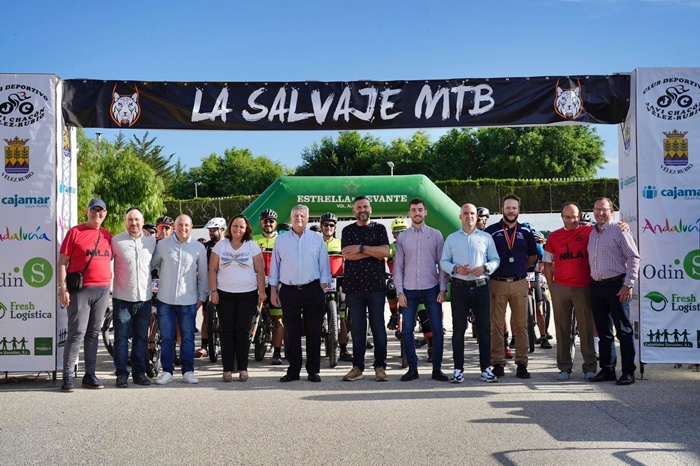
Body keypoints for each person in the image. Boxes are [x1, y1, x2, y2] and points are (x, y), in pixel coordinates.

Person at [57, 198, 113, 392]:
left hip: (103, 289)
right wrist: (62, 287)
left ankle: (90, 375)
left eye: (101, 211)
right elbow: (62, 262)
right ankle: (68, 377)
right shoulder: (75, 232)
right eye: (93, 210)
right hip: (81, 290)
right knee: (77, 332)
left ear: (105, 214)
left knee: (93, 333)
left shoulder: (107, 235)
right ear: (87, 211)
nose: (97, 214)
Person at [269, 205, 331, 382]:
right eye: (296, 215)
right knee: (291, 331)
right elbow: (275, 266)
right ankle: (293, 369)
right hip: (289, 290)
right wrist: (273, 289)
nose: (299, 218)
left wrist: (323, 284)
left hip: (313, 289)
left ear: (308, 218)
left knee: (314, 331)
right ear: (290, 217)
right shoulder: (281, 240)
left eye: (302, 215)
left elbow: (324, 262)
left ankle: (313, 370)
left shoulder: (316, 239)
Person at [441, 203, 500, 383]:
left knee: (484, 329)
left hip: (481, 286)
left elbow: (495, 259)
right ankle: (458, 370)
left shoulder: (486, 237)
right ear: (460, 217)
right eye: (465, 213)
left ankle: (486, 369)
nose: (469, 216)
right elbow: (443, 261)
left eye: (472, 213)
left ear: (477, 217)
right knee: (458, 329)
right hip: (459, 288)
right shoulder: (451, 239)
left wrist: (486, 267)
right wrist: (456, 269)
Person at [394, 198, 450, 381]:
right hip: (408, 290)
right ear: (409, 213)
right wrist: (399, 292)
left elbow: (442, 265)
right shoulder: (402, 238)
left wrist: (443, 289)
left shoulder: (436, 235)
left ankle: (437, 369)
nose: (417, 213)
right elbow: (398, 268)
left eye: (420, 210)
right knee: (407, 330)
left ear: (425, 212)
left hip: (431, 288)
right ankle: (412, 368)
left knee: (437, 330)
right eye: (413, 210)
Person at [484, 194, 538, 379]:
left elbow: (532, 256)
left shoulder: (526, 232)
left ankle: (522, 363)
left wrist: (520, 268)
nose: (511, 211)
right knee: (496, 325)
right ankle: (497, 363)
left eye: (514, 208)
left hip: (519, 283)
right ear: (502, 209)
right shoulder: (491, 231)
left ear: (518, 210)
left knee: (521, 325)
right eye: (508, 208)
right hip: (497, 282)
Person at [587, 197, 640, 385]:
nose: (600, 213)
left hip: (617, 285)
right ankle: (608, 369)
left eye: (604, 210)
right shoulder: (592, 233)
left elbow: (634, 257)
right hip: (597, 286)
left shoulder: (619, 230)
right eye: (597, 209)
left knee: (624, 331)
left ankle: (628, 372)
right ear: (593, 211)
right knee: (604, 332)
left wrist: (629, 284)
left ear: (612, 211)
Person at [543, 202, 597, 381]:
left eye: (574, 216)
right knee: (562, 329)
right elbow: (547, 264)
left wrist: (623, 224)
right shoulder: (554, 237)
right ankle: (564, 367)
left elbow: (607, 228)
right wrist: (552, 287)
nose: (571, 220)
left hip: (583, 288)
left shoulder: (589, 232)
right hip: (561, 289)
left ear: (580, 215)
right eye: (567, 217)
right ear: (561, 217)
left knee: (586, 329)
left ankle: (589, 367)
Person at [151, 215, 208, 385]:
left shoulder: (199, 248)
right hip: (165, 299)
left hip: (188, 299)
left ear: (191, 227)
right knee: (167, 337)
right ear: (174, 227)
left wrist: (201, 298)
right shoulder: (162, 245)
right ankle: (167, 371)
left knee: (188, 337)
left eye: (186, 225)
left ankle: (188, 371)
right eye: (180, 225)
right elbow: (151, 266)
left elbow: (203, 276)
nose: (183, 228)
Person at [209, 215, 266, 382]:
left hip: (247, 295)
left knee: (242, 332)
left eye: (241, 227)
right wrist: (213, 291)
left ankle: (243, 368)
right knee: (227, 332)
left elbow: (260, 271)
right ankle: (227, 369)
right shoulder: (221, 245)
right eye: (234, 226)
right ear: (230, 227)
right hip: (224, 294)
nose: (237, 229)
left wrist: (261, 291)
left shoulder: (252, 246)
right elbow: (212, 269)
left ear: (246, 229)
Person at [341, 196, 391, 382]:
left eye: (365, 207)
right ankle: (358, 367)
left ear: (370, 209)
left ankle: (380, 367)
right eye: (359, 207)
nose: (362, 210)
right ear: (354, 211)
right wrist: (372, 252)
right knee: (358, 329)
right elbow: (348, 256)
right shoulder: (347, 230)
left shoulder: (379, 229)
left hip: (376, 287)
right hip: (354, 288)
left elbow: (385, 252)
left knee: (378, 327)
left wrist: (360, 248)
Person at [111, 206, 157, 388]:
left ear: (142, 221)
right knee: (121, 339)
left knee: (141, 338)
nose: (133, 223)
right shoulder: (116, 241)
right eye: (130, 220)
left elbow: (158, 264)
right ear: (125, 222)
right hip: (122, 298)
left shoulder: (151, 243)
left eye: (137, 219)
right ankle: (121, 374)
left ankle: (139, 373)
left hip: (144, 298)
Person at [477, 207, 513, 359]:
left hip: (494, 277)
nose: (480, 221)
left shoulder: (491, 233)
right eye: (478, 218)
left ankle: (504, 344)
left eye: (482, 218)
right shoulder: (471, 234)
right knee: (480, 315)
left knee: (500, 313)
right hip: (478, 279)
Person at [254, 209, 285, 365]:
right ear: (261, 223)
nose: (268, 223)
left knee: (277, 319)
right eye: (265, 220)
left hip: (276, 284)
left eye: (271, 221)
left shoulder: (282, 240)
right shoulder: (253, 240)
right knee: (251, 316)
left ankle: (277, 352)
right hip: (256, 283)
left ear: (276, 223)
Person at [320, 212, 352, 362]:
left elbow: (348, 262)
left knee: (342, 317)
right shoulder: (316, 242)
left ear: (335, 227)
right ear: (321, 227)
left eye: (331, 225)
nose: (328, 227)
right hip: (319, 283)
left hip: (338, 282)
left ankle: (344, 349)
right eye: (325, 224)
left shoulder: (341, 243)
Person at [195, 217, 227, 359]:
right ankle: (204, 346)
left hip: (226, 282)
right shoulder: (206, 246)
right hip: (209, 282)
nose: (211, 233)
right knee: (206, 315)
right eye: (210, 230)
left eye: (214, 230)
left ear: (222, 230)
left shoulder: (228, 244)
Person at [522, 223, 552, 350]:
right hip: (525, 276)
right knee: (523, 311)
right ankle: (543, 337)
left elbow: (542, 259)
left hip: (533, 275)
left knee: (539, 309)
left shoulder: (537, 246)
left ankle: (543, 336)